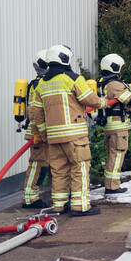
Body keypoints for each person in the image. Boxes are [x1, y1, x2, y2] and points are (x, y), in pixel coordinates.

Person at [28, 44, 108, 216]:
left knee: (59, 171)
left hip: (53, 138)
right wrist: (104, 102)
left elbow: (37, 112)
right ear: (64, 59)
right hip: (74, 136)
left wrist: (44, 134)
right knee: (80, 169)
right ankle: (80, 206)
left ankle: (59, 205)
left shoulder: (41, 84)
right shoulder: (73, 78)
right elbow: (90, 100)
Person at [97, 53, 131, 195]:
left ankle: (110, 184)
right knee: (117, 156)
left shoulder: (103, 82)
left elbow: (123, 89)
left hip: (110, 126)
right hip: (118, 127)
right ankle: (112, 187)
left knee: (112, 155)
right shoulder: (114, 84)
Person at [21, 50, 50, 208]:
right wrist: (40, 131)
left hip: (44, 132)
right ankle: (29, 198)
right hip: (38, 133)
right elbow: (34, 110)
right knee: (38, 165)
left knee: (44, 164)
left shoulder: (42, 83)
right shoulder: (38, 85)